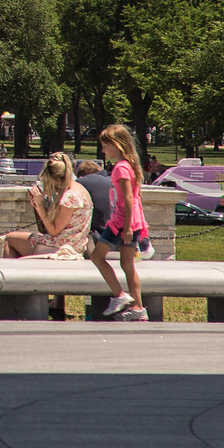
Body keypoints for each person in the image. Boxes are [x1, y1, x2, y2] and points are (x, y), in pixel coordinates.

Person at [89, 125, 150, 321]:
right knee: (127, 264)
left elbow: (129, 198)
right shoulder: (130, 166)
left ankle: (119, 295)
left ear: (117, 145)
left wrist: (127, 228)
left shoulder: (121, 168)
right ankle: (138, 308)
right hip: (130, 222)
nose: (103, 149)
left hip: (120, 223)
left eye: (106, 145)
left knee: (97, 257)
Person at [4, 153, 91, 260]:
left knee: (10, 239)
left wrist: (39, 205)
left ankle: (12, 276)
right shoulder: (79, 188)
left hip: (63, 246)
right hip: (74, 243)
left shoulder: (70, 196)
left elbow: (54, 230)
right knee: (18, 237)